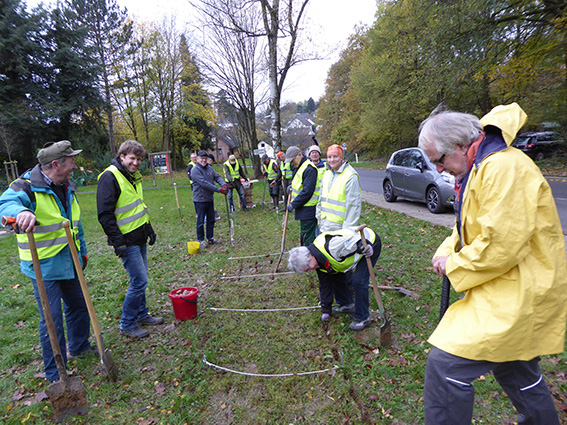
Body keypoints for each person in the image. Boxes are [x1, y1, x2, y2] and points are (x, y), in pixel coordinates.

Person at [418, 103, 567, 425]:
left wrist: (453, 264)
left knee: (446, 368)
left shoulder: (502, 168)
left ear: (459, 146)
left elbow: (501, 244)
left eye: (439, 160)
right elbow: (467, 226)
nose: (439, 170)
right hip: (510, 287)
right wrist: (445, 250)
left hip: (520, 292)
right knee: (517, 370)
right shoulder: (481, 167)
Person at [0, 140, 92, 381]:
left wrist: (82, 250)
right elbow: (5, 203)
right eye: (71, 161)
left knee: (79, 306)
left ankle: (80, 346)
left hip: (69, 258)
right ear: (55, 164)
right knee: (52, 321)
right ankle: (55, 372)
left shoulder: (66, 185)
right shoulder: (26, 186)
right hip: (42, 266)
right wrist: (20, 212)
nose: (74, 166)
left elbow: (74, 222)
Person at [97, 140, 162, 339]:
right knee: (139, 281)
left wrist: (148, 229)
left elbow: (137, 206)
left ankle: (142, 314)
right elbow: (105, 215)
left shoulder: (132, 176)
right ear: (122, 156)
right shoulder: (110, 177)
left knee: (141, 279)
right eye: (132, 158)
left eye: (139, 159)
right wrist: (118, 242)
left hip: (139, 235)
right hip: (127, 240)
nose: (136, 163)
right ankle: (127, 323)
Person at [287, 226, 381, 331]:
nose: (311, 271)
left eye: (308, 268)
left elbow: (354, 243)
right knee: (335, 276)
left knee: (359, 281)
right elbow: (325, 286)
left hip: (368, 244)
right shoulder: (318, 261)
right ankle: (346, 304)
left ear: (309, 256)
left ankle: (363, 317)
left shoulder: (332, 248)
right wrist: (326, 311)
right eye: (307, 271)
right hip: (356, 248)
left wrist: (366, 247)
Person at [317, 144, 361, 233]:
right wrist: (318, 217)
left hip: (339, 228)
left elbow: (353, 207)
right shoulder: (327, 173)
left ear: (341, 158)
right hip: (325, 225)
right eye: (329, 157)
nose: (332, 160)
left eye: (335, 156)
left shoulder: (350, 176)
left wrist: (347, 231)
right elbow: (321, 198)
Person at [191, 150, 228, 247]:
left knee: (211, 219)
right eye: (202, 158)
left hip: (209, 198)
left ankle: (210, 238)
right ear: (198, 159)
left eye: (205, 158)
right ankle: (200, 239)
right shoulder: (195, 170)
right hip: (200, 200)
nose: (203, 160)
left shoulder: (209, 168)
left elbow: (217, 176)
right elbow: (204, 184)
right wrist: (219, 190)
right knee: (200, 221)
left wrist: (223, 185)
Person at [285, 146, 319, 246]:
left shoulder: (309, 169)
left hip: (309, 210)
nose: (292, 163)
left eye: (293, 160)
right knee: (304, 236)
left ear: (299, 155)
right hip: (303, 209)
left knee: (308, 238)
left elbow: (307, 192)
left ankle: (309, 258)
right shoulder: (300, 167)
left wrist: (293, 204)